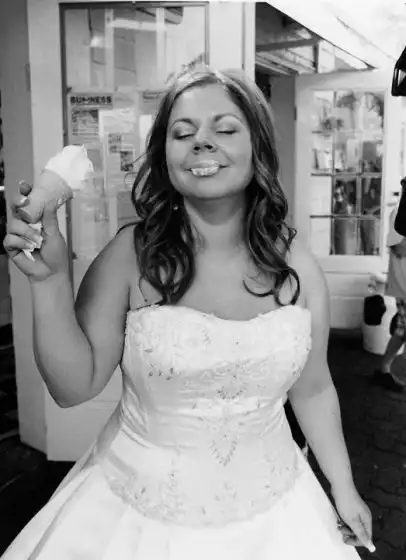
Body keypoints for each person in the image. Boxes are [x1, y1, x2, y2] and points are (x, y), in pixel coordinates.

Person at [2, 68, 373, 559]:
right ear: (165, 156)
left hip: (277, 511)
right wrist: (49, 282)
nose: (202, 142)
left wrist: (342, 486)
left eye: (225, 128)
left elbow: (314, 387)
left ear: (258, 149)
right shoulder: (129, 256)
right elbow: (72, 389)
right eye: (183, 133)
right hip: (136, 516)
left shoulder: (297, 264)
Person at [373, 188, 406, 391]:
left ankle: (383, 370)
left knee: (402, 330)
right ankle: (383, 370)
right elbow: (398, 247)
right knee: (403, 329)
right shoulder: (398, 213)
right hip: (404, 284)